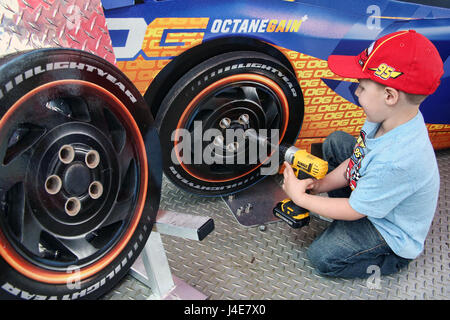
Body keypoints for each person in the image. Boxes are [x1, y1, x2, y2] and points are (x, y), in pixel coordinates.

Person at [281, 30, 444, 279]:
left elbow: (355, 210)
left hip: (388, 229)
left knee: (322, 257)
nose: (356, 92)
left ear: (390, 96)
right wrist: (321, 184)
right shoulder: (384, 119)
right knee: (336, 141)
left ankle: (392, 260)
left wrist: (301, 199)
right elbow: (357, 160)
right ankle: (344, 213)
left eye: (362, 87)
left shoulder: (398, 160)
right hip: (376, 191)